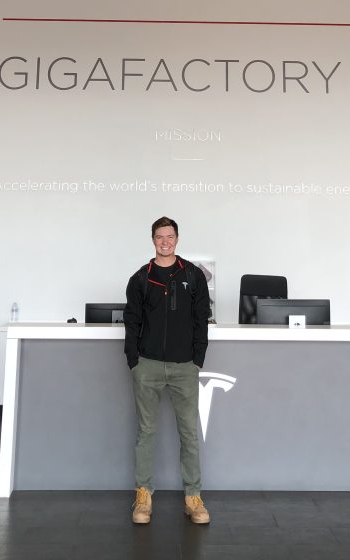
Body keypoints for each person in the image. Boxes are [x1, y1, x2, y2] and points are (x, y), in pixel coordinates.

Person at [123, 216, 211, 525]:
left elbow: (202, 319)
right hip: (146, 365)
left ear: (177, 238)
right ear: (153, 240)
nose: (165, 241)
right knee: (146, 432)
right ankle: (143, 496)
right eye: (160, 236)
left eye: (170, 236)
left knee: (188, 433)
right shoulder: (140, 278)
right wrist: (133, 360)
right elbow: (131, 322)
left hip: (184, 366)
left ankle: (193, 497)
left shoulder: (193, 275)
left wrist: (197, 357)